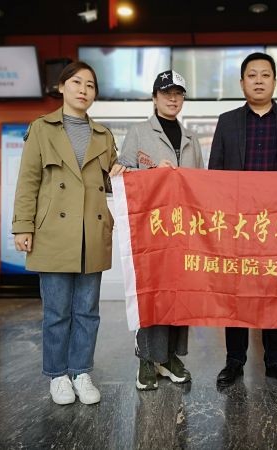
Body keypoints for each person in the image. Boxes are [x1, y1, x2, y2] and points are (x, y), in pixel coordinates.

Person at [12, 61, 126, 405]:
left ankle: (81, 372)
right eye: (76, 82)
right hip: (53, 231)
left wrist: (121, 173)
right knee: (57, 311)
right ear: (61, 87)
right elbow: (28, 181)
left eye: (90, 85)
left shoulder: (103, 135)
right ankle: (57, 375)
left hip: (91, 230)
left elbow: (110, 182)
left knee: (88, 310)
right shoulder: (41, 128)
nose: (83, 90)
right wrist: (22, 226)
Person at [208, 52, 277, 389]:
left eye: (265, 74)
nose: (258, 80)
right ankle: (234, 360)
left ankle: (276, 361)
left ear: (274, 81)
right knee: (236, 292)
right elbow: (214, 175)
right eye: (251, 75)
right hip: (238, 225)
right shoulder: (227, 122)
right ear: (242, 83)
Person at [119, 70, 204, 391]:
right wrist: (155, 172)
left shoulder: (192, 139)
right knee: (151, 294)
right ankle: (146, 359)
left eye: (178, 93)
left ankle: (169, 357)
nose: (173, 98)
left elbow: (202, 184)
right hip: (150, 231)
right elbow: (122, 176)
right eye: (166, 93)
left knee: (180, 294)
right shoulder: (139, 133)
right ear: (154, 98)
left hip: (184, 231)